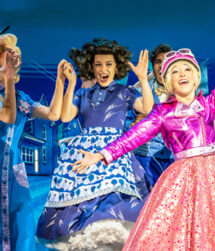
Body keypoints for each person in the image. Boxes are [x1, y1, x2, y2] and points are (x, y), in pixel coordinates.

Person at [72, 19, 215, 250]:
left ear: (196, 76)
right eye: (175, 71)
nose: (182, 73)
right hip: (181, 178)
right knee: (176, 230)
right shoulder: (162, 113)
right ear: (168, 81)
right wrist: (98, 156)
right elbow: (133, 137)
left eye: (187, 68)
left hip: (214, 177)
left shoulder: (208, 104)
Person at [36, 38, 154, 250]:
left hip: (114, 150)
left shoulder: (125, 92)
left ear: (117, 67)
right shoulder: (83, 94)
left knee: (115, 197)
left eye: (108, 64)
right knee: (78, 201)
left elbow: (147, 109)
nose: (103, 69)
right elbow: (65, 117)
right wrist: (69, 83)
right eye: (98, 64)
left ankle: (114, 239)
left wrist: (144, 80)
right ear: (91, 68)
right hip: (85, 150)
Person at [0, 33, 64, 250]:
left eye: (12, 58)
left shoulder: (20, 98)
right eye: (5, 56)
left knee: (22, 218)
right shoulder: (10, 96)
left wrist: (60, 81)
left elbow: (54, 114)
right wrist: (8, 80)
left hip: (15, 167)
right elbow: (7, 116)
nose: (11, 61)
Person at [133, 44, 174, 187]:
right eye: (158, 62)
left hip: (174, 158)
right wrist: (135, 123)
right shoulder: (141, 88)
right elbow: (127, 121)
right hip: (146, 157)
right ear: (153, 65)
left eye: (166, 62)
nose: (162, 66)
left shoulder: (182, 89)